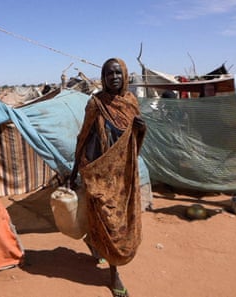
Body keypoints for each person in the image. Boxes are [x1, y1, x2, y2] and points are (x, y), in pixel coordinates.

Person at [69, 57, 146, 297]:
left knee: (118, 222)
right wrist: (75, 171)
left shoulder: (131, 102)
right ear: (103, 78)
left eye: (117, 73)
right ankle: (114, 275)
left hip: (123, 176)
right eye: (109, 74)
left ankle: (99, 247)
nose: (114, 78)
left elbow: (134, 140)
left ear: (124, 75)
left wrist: (141, 129)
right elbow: (83, 137)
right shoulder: (96, 104)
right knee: (105, 220)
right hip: (98, 173)